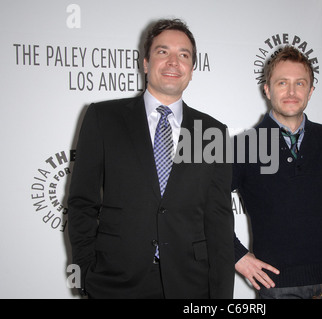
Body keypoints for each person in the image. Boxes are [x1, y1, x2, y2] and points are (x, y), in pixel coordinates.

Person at [68, 18, 234, 299]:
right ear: (145, 63)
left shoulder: (213, 132)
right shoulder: (102, 118)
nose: (173, 62)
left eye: (184, 55)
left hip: (191, 285)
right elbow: (82, 202)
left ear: (192, 69)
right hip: (115, 283)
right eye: (162, 51)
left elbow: (218, 220)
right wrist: (86, 273)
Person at [233, 45, 322, 299]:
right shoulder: (245, 145)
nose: (291, 91)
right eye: (282, 83)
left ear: (310, 91)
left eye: (300, 83)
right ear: (267, 89)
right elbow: (208, 203)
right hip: (277, 288)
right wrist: (236, 254)